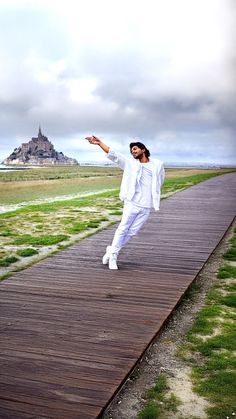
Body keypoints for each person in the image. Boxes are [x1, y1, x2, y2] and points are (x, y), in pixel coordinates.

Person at [86, 135, 165, 270]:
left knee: (132, 232)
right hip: (132, 202)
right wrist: (100, 143)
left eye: (135, 149)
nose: (133, 152)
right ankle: (113, 257)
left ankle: (110, 250)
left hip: (146, 205)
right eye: (131, 151)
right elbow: (114, 155)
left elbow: (160, 181)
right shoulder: (130, 164)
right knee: (123, 229)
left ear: (143, 149)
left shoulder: (157, 165)